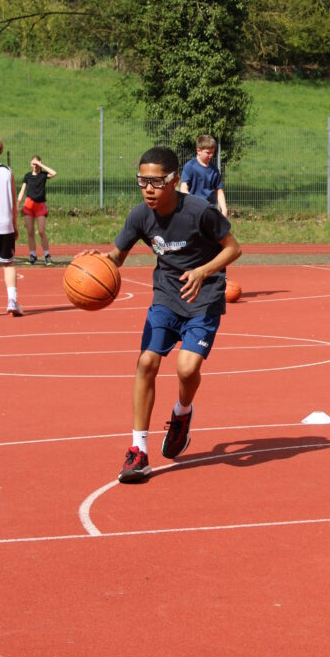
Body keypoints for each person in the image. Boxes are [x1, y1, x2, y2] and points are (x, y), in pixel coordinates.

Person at [103, 146, 241, 482]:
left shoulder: (199, 211)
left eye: (156, 181)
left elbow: (233, 248)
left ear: (174, 179)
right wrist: (99, 261)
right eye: (142, 181)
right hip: (166, 295)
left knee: (186, 368)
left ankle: (182, 413)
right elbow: (117, 256)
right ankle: (138, 451)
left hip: (203, 295)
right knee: (147, 362)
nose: (148, 189)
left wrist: (203, 271)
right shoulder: (140, 215)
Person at [0, 134, 24, 316]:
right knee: (8, 264)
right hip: (5, 224)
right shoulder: (8, 172)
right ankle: (12, 301)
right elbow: (13, 202)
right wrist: (14, 224)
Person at [17, 155, 57, 265]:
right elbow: (22, 191)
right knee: (30, 231)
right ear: (30, 164)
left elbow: (54, 173)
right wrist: (17, 205)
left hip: (40, 205)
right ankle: (33, 255)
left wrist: (41, 165)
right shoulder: (27, 176)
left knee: (41, 231)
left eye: (36, 163)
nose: (34, 165)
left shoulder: (43, 175)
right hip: (29, 205)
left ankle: (47, 255)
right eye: (33, 163)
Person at [179, 133, 228, 216]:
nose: (211, 155)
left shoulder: (214, 170)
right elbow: (183, 188)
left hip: (209, 209)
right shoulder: (190, 167)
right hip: (193, 210)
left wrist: (224, 209)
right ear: (199, 151)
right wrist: (191, 204)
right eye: (208, 153)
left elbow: (219, 191)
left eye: (212, 152)